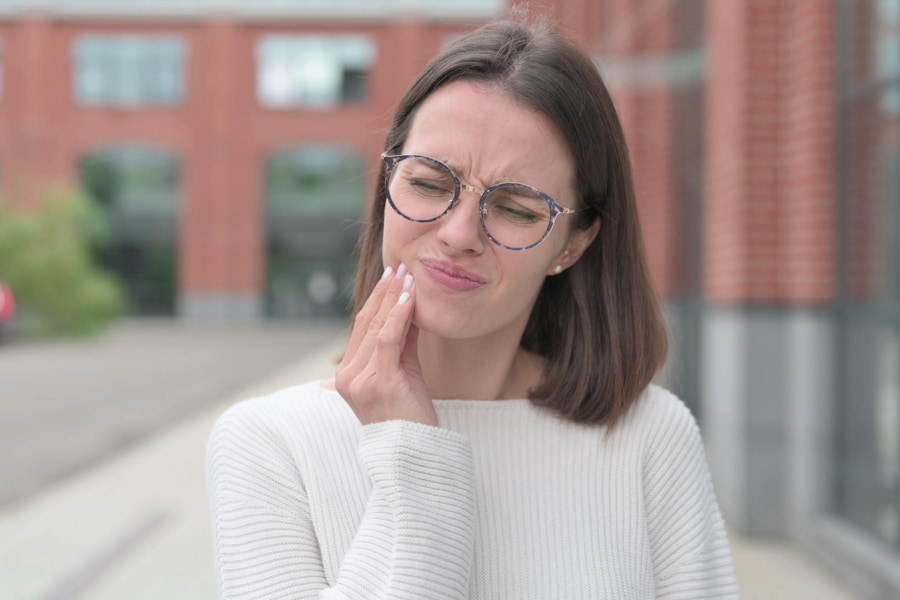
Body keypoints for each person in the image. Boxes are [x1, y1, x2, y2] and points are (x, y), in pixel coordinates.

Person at [207, 17, 740, 600]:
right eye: (430, 183)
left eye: (516, 209)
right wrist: (412, 454)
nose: (460, 234)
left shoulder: (648, 435)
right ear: (386, 185)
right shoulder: (269, 443)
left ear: (575, 243)